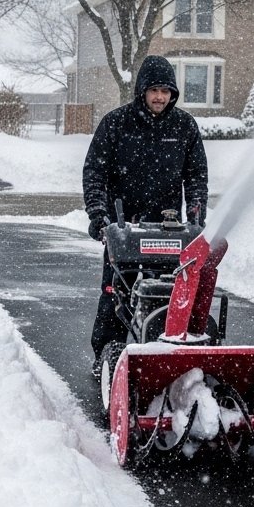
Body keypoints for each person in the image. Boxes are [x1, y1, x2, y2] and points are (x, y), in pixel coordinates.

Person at [82, 55, 208, 371]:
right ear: (142, 91)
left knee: (166, 292)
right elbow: (95, 172)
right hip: (123, 229)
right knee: (115, 294)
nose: (160, 97)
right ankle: (106, 356)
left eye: (166, 91)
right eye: (154, 90)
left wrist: (195, 216)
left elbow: (196, 175)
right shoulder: (116, 123)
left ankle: (161, 351)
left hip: (167, 229)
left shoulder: (184, 126)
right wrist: (99, 215)